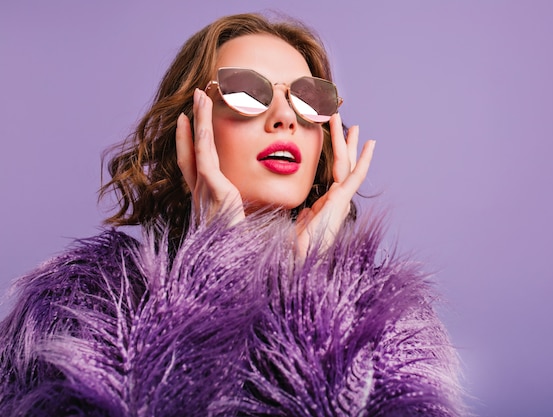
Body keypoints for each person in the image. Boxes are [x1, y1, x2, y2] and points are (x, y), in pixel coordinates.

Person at [0, 12, 464, 416]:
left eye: (309, 99)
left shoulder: (387, 323)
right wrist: (215, 275)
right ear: (187, 127)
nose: (285, 118)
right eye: (247, 91)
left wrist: (305, 307)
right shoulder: (82, 303)